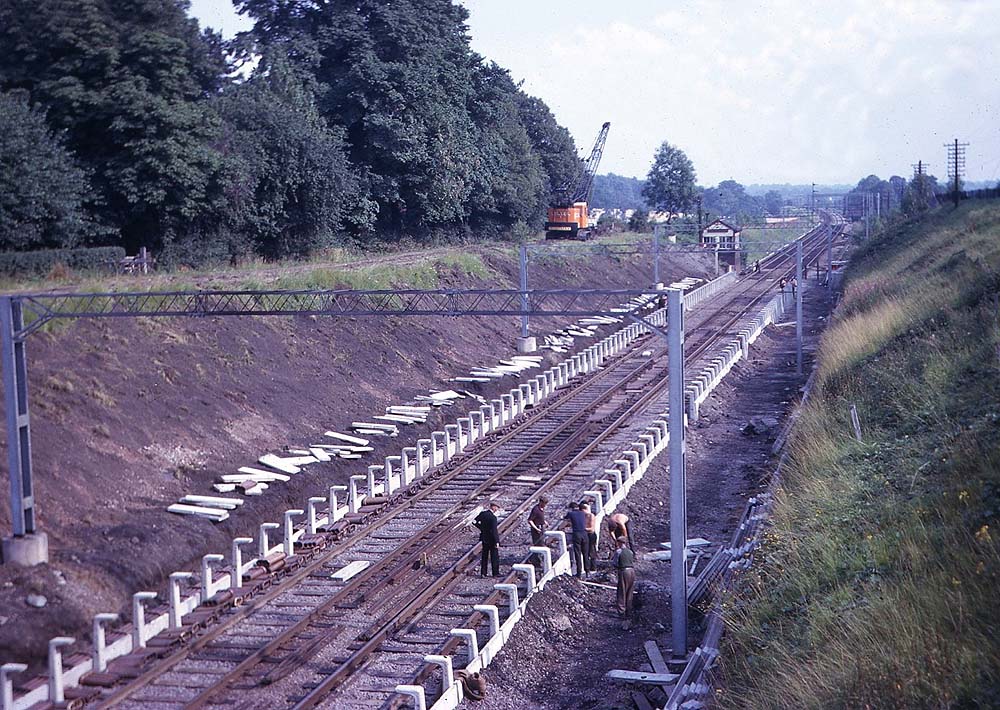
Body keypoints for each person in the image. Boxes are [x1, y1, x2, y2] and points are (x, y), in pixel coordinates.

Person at [562, 502, 590, 578]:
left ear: (571, 508)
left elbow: (565, 518)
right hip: (584, 534)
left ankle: (579, 572)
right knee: (585, 553)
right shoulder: (582, 513)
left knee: (578, 554)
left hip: (577, 534)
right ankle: (588, 571)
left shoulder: (571, 513)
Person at [474, 501, 501, 577]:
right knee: (494, 556)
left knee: (484, 556)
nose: (497, 509)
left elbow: (474, 521)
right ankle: (495, 573)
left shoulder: (483, 514)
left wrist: (481, 528)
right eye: (496, 507)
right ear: (493, 507)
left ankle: (483, 573)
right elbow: (494, 531)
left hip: (484, 538)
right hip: (492, 540)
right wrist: (497, 541)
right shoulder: (493, 518)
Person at [612, 536, 636, 616]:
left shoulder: (618, 552)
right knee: (630, 591)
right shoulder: (630, 552)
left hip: (624, 572)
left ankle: (621, 612)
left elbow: (615, 563)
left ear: (620, 542)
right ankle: (629, 611)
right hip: (632, 571)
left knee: (621, 591)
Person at [528, 497, 548, 567]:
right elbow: (530, 520)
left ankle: (537, 560)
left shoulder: (541, 509)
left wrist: (544, 522)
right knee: (538, 545)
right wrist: (536, 528)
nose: (545, 505)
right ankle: (536, 561)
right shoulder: (535, 510)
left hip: (541, 528)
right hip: (537, 530)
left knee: (542, 543)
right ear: (540, 502)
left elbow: (540, 517)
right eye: (544, 504)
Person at [582, 501, 598, 572]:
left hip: (591, 535)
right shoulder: (582, 516)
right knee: (586, 552)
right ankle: (587, 567)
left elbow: (591, 528)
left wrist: (583, 528)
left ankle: (593, 567)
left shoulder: (591, 516)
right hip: (585, 535)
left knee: (592, 551)